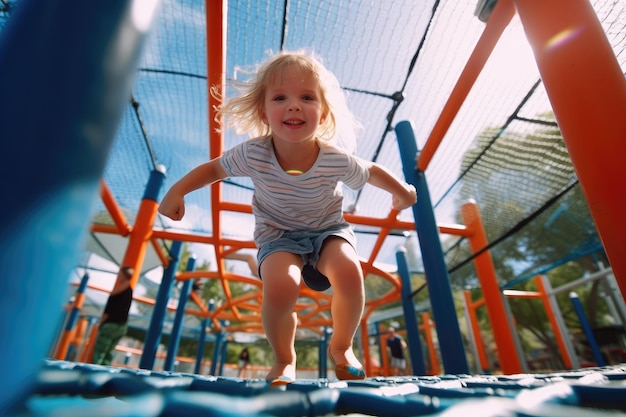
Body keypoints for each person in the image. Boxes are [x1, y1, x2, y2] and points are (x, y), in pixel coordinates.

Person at [158, 50, 417, 386]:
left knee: (350, 271)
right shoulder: (254, 153)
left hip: (327, 231)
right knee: (282, 286)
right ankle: (284, 358)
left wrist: (403, 191)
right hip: (278, 235)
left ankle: (342, 347)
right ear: (264, 113)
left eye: (307, 97)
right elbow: (213, 169)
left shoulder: (333, 158)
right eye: (280, 97)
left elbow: (370, 171)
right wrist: (176, 192)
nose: (294, 105)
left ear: (322, 114)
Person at [92, 266, 134, 365]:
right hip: (122, 326)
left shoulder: (116, 292)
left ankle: (94, 374)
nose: (118, 275)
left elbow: (109, 310)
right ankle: (104, 373)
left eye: (120, 273)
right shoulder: (129, 290)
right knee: (108, 353)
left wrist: (101, 323)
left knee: (99, 352)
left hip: (110, 325)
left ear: (123, 275)